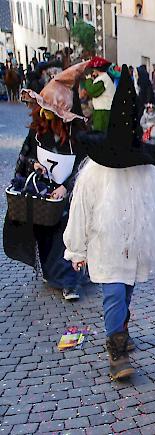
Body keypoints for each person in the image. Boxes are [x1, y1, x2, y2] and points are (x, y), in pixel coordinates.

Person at [64, 65, 155, 381]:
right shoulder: (94, 174)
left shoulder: (144, 171)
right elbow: (80, 210)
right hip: (106, 242)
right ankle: (117, 350)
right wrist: (76, 249)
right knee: (113, 292)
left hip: (133, 244)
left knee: (126, 292)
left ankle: (121, 328)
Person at [4, 61, 90, 301]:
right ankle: (53, 273)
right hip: (44, 193)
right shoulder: (37, 130)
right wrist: (35, 165)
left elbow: (85, 167)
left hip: (68, 194)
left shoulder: (77, 136)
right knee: (44, 231)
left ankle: (70, 282)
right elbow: (27, 155)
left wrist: (67, 187)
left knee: (68, 235)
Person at [83, 56, 116, 132]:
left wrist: (88, 80)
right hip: (105, 109)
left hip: (103, 110)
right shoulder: (105, 78)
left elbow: (92, 91)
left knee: (99, 133)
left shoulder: (102, 79)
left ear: (96, 69)